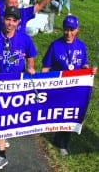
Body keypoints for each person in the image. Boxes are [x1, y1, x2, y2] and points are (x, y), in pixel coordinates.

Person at [0, 6, 37, 170]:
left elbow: (30, 59)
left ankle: (6, 133)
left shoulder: (25, 39)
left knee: (12, 117)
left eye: (14, 20)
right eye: (8, 19)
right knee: (0, 118)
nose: (10, 23)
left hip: (18, 85)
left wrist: (30, 68)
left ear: (18, 22)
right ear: (3, 19)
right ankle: (2, 155)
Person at [41, 15, 97, 156]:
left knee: (70, 115)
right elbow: (46, 67)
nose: (69, 33)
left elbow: (84, 64)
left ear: (77, 30)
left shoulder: (81, 46)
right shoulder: (55, 45)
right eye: (66, 29)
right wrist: (42, 83)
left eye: (72, 30)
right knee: (56, 114)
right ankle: (56, 136)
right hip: (58, 88)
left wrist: (89, 70)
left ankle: (63, 143)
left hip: (74, 89)